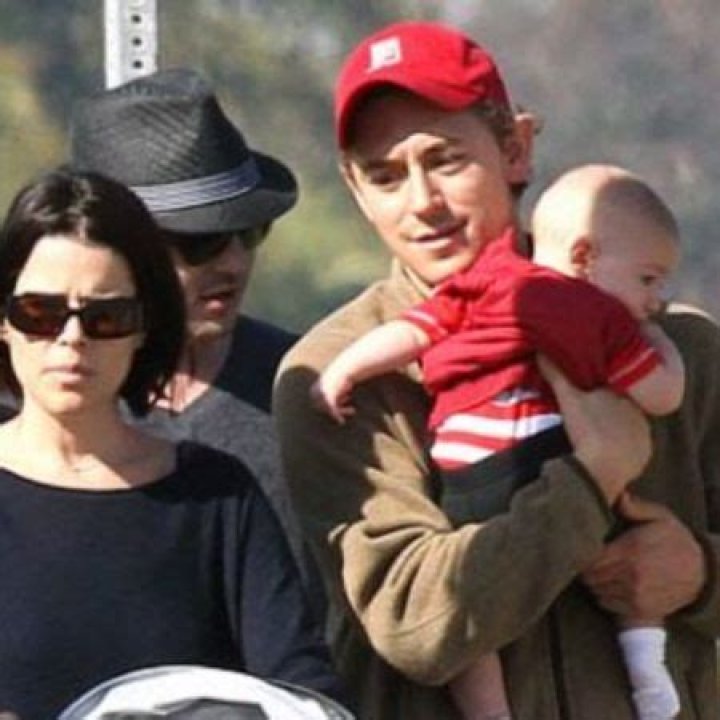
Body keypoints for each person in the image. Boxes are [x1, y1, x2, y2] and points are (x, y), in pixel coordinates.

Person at [273, 20, 720, 720]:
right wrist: (592, 479)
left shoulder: (676, 347)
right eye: (385, 176)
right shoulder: (336, 376)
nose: (422, 202)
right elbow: (417, 623)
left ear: (516, 148)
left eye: (446, 160)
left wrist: (698, 574)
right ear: (355, 189)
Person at [310, 165, 684, 719]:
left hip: (465, 468)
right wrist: (663, 347)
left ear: (516, 147)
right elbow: (663, 395)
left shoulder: (488, 281)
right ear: (583, 257)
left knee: (473, 615)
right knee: (626, 561)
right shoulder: (607, 317)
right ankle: (648, 671)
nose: (656, 300)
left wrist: (344, 371)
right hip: (539, 460)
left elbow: (412, 333)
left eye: (447, 161)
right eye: (648, 280)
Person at [0, 168, 344, 720]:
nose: (71, 339)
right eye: (40, 313)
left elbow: (302, 691)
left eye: (106, 317)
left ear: (143, 327)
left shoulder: (216, 496)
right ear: (4, 320)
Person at [67, 68, 322, 606]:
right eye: (200, 243)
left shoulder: (310, 391)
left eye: (249, 233)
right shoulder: (35, 405)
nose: (234, 263)